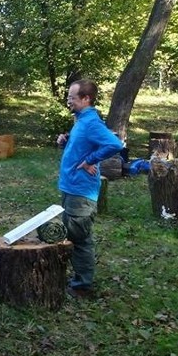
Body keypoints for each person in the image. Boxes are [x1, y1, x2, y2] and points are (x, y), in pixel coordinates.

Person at [55, 80, 124, 298]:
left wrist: (91, 160)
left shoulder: (91, 122)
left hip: (81, 191)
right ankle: (77, 278)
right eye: (69, 97)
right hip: (71, 186)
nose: (69, 101)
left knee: (80, 238)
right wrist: (64, 142)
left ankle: (82, 285)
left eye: (72, 98)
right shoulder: (81, 120)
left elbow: (114, 144)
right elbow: (81, 146)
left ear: (86, 99)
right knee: (73, 233)